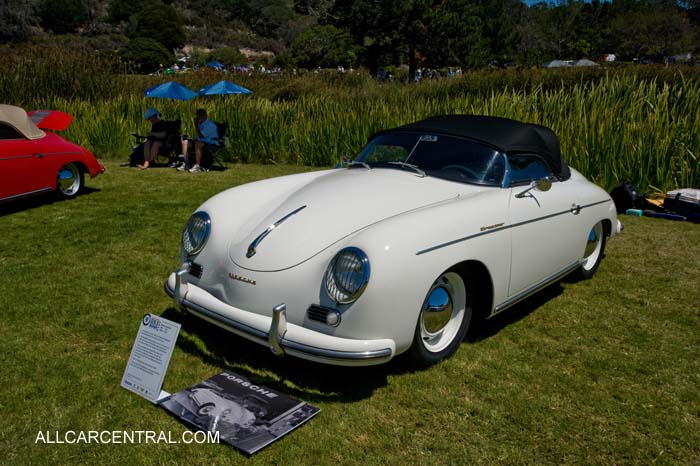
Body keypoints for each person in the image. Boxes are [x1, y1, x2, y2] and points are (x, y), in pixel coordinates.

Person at [177, 108, 218, 173]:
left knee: (198, 143)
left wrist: (196, 125)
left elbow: (201, 136)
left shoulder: (210, 124)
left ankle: (197, 166)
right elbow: (198, 137)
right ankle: (186, 163)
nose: (200, 117)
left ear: (205, 115)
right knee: (185, 142)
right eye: (198, 116)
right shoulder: (200, 123)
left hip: (211, 143)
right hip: (201, 141)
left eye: (201, 115)